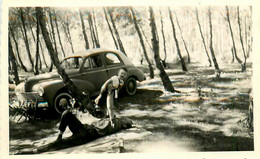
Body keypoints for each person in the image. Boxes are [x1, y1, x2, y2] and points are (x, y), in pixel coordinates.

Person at [17, 109, 133, 154]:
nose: (124, 118)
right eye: (125, 118)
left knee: (59, 145)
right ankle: (60, 134)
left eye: (126, 120)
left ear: (124, 124)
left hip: (86, 135)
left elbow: (113, 111)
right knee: (66, 113)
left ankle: (34, 151)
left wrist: (127, 123)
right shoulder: (113, 119)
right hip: (84, 128)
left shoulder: (116, 125)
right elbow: (108, 112)